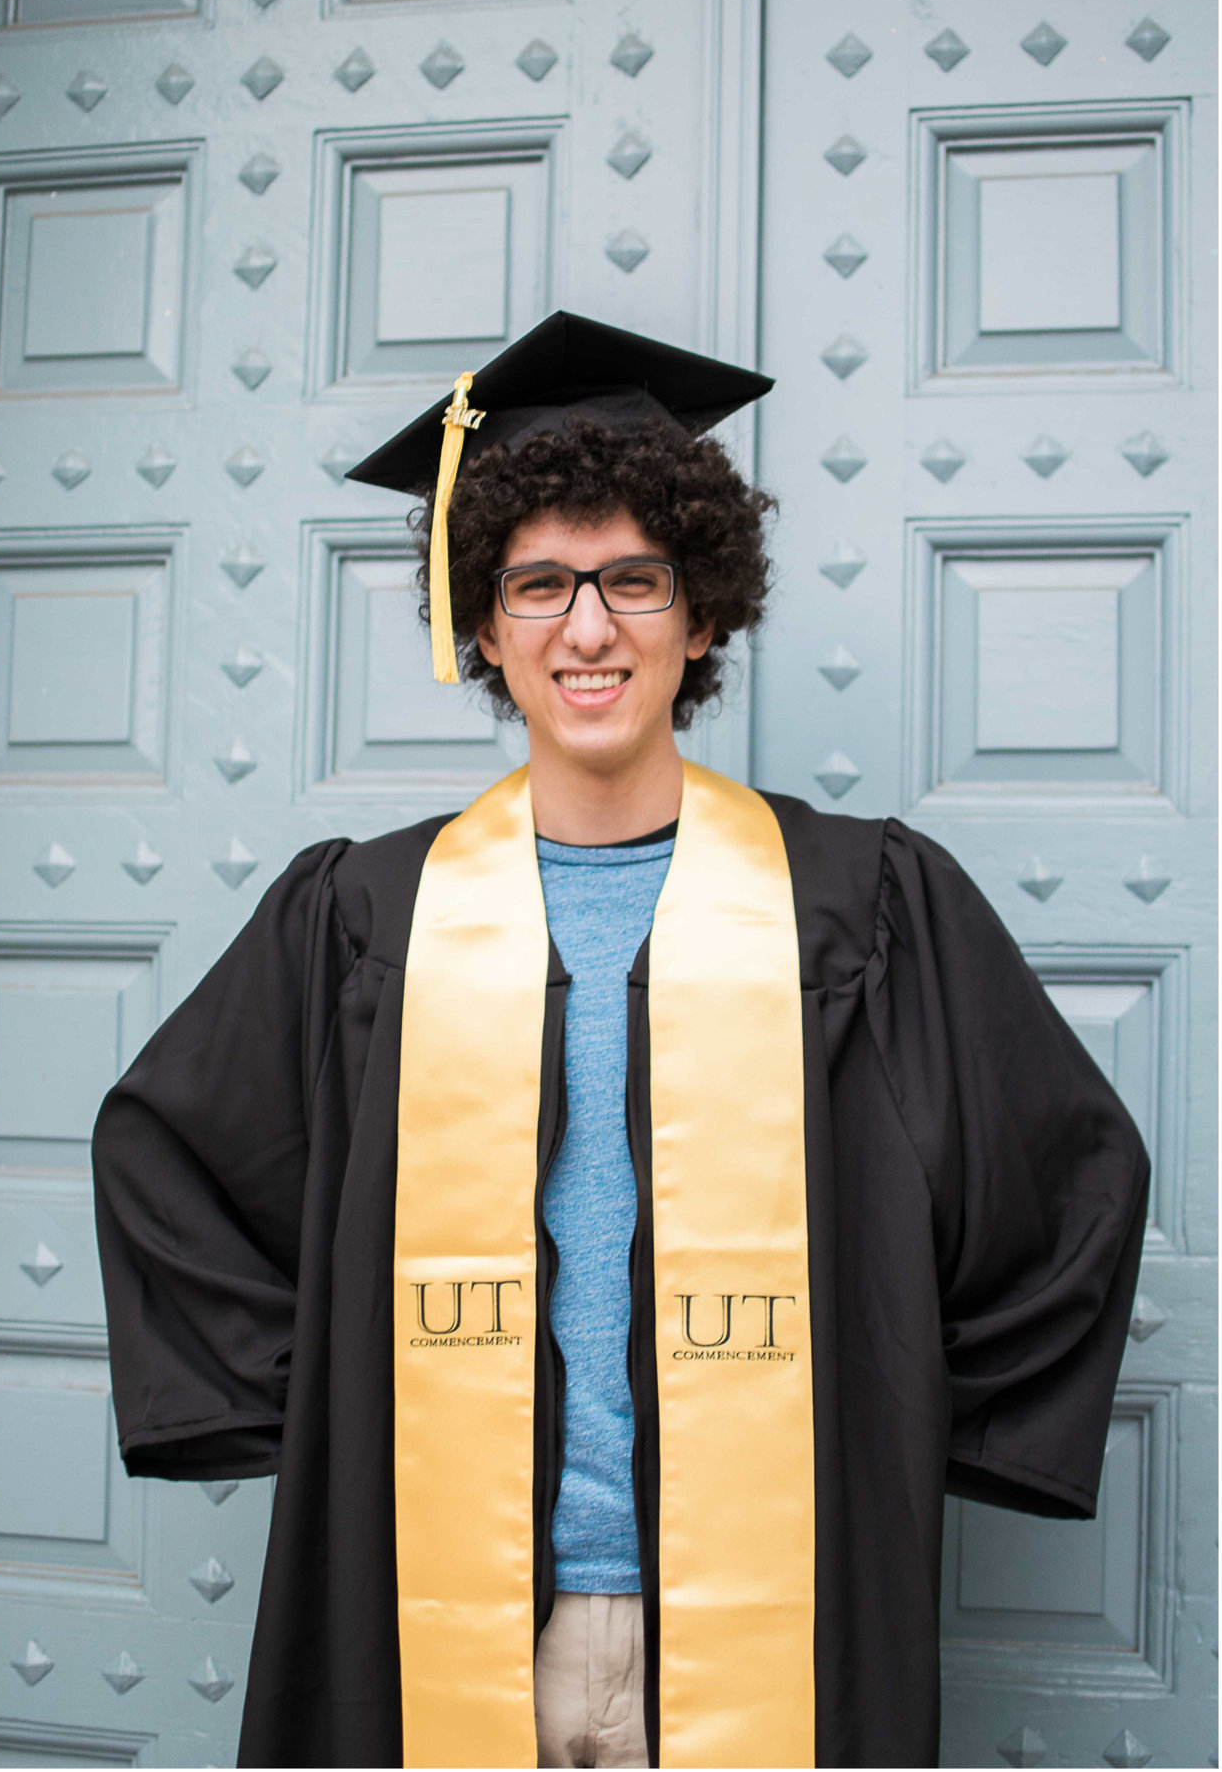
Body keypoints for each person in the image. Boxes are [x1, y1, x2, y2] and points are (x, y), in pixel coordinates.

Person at [91, 312, 1149, 1769]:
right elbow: (172, 1155)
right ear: (482, 623)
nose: (587, 629)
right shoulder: (369, 918)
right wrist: (342, 1388)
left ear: (700, 612)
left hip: (766, 1606)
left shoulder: (861, 908)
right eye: (538, 586)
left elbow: (1067, 1178)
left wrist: (897, 1402)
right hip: (442, 1603)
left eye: (633, 581)